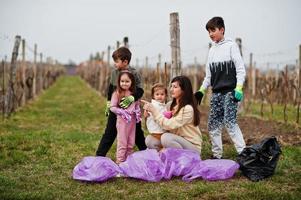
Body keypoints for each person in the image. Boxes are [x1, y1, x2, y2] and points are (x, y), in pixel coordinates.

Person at [194, 16, 246, 159]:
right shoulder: (211, 51)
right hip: (216, 93)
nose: (210, 34)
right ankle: (217, 155)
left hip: (230, 92)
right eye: (208, 32)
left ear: (222, 30)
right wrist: (201, 91)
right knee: (213, 125)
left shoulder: (231, 46)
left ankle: (244, 154)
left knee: (230, 123)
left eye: (213, 30)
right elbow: (208, 76)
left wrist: (239, 88)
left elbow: (241, 69)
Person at [96, 47, 146, 157]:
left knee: (137, 132)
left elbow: (140, 89)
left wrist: (132, 97)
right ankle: (99, 156)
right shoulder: (115, 73)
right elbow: (111, 89)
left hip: (131, 110)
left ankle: (146, 153)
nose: (114, 64)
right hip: (116, 108)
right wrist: (109, 103)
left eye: (116, 61)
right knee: (110, 131)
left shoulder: (134, 73)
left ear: (125, 62)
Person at [142, 76, 202, 153]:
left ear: (184, 90)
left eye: (175, 87)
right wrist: (148, 114)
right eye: (171, 86)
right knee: (150, 140)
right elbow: (159, 119)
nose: (171, 89)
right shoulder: (169, 105)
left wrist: (154, 111)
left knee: (166, 138)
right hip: (175, 140)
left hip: (191, 146)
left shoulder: (187, 109)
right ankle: (165, 156)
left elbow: (169, 125)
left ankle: (180, 160)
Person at [110, 71, 141, 163]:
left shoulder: (133, 94)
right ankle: (120, 162)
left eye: (127, 81)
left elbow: (137, 105)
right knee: (122, 143)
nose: (124, 83)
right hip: (122, 121)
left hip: (132, 121)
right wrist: (121, 112)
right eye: (122, 81)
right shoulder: (117, 93)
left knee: (131, 143)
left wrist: (137, 111)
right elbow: (112, 107)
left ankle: (128, 162)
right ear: (119, 82)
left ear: (131, 82)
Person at [144, 83, 172, 151]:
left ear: (166, 96)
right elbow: (148, 113)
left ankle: (162, 150)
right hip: (156, 132)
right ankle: (161, 151)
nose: (160, 96)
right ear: (153, 96)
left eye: (162, 94)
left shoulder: (163, 105)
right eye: (157, 94)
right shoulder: (153, 105)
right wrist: (146, 113)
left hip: (162, 131)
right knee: (162, 142)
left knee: (165, 141)